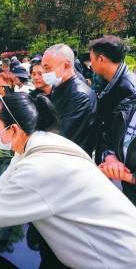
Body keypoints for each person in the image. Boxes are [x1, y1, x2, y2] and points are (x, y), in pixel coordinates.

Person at [0, 92, 136, 269]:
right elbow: (7, 181)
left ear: (13, 129)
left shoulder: (40, 168)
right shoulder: (39, 142)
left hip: (112, 255)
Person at [42, 44, 97, 156]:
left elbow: (63, 135)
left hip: (72, 159)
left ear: (66, 65)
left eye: (47, 68)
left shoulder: (79, 95)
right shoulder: (59, 87)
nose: (44, 73)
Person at [88, 36, 136, 164]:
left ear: (101, 59)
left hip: (118, 163)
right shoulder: (110, 80)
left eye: (91, 59)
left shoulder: (128, 88)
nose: (90, 63)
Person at [99, 94, 136, 205]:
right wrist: (111, 158)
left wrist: (125, 175)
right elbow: (108, 137)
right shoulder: (128, 103)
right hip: (126, 194)